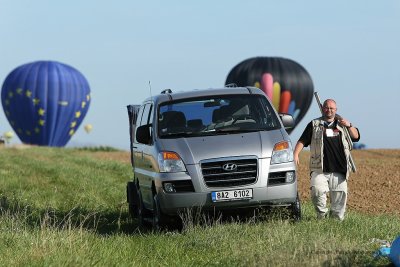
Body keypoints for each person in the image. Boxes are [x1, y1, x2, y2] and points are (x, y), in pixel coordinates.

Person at [293, 99, 360, 221]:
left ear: (336, 110)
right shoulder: (314, 124)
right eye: (327, 108)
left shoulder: (343, 125)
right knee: (317, 192)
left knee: (340, 198)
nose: (329, 110)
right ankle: (322, 217)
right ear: (322, 108)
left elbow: (356, 137)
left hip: (340, 169)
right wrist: (296, 154)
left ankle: (336, 222)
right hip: (319, 169)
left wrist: (349, 125)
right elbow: (302, 140)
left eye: (332, 108)